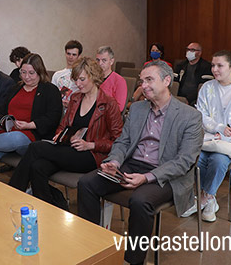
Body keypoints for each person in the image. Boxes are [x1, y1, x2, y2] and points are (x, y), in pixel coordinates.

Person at [77, 60, 203, 265]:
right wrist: (115, 162)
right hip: (132, 164)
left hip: (166, 173)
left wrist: (146, 178)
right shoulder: (137, 109)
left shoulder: (190, 116)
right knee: (87, 183)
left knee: (140, 200)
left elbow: (184, 161)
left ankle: (133, 260)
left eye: (149, 80)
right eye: (141, 81)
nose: (143, 85)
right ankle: (94, 247)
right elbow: (123, 141)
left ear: (167, 81)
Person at [9, 58, 123, 210]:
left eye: (82, 79)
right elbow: (63, 126)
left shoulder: (109, 104)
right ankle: (49, 210)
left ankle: (12, 194)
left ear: (94, 77)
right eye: (76, 80)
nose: (78, 84)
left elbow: (118, 142)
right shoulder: (76, 98)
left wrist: (90, 144)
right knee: (38, 167)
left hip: (92, 155)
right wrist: (59, 136)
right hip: (69, 149)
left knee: (36, 148)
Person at [183, 50, 231, 222]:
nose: (214, 69)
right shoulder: (207, 87)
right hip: (209, 138)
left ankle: (204, 197)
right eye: (213, 65)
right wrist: (218, 128)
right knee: (197, 160)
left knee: (218, 160)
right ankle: (210, 200)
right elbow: (201, 115)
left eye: (220, 65)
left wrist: (227, 134)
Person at [52, 40, 83, 109]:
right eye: (68, 54)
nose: (70, 57)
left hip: (76, 110)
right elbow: (52, 96)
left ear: (79, 56)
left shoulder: (83, 76)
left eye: (74, 54)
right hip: (59, 110)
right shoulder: (57, 75)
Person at [96, 46, 127, 112]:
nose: (100, 63)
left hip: (107, 117)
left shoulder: (119, 81)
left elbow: (119, 108)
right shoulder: (94, 78)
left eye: (104, 60)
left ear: (111, 61)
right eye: (98, 60)